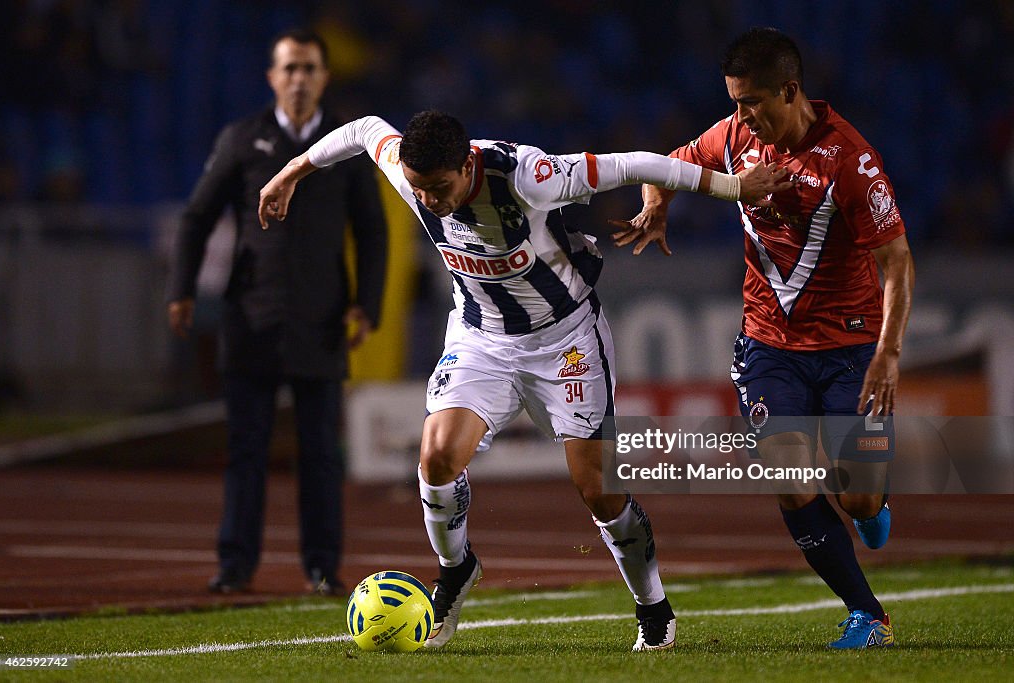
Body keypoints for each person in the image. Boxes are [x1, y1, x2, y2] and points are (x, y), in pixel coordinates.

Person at [258, 110, 790, 649]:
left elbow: (634, 164)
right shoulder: (408, 169)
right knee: (437, 456)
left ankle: (652, 605)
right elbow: (364, 128)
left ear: (467, 166)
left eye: (441, 189)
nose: (431, 202)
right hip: (481, 340)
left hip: (566, 342)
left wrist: (733, 186)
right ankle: (455, 569)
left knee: (598, 489)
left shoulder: (530, 175)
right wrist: (290, 173)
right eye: (421, 191)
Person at [614, 27, 914, 649]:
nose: (741, 115)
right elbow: (668, 166)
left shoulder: (851, 161)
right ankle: (868, 613)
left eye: (751, 101)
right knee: (791, 478)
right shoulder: (734, 139)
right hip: (768, 343)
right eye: (733, 101)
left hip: (852, 346)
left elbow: (898, 262)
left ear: (790, 90)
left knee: (857, 501)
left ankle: (870, 507)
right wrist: (657, 202)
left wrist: (887, 354)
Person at [166, 29, 387, 597]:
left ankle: (322, 568)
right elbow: (196, 217)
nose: (299, 79)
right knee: (246, 449)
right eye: (289, 68)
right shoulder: (241, 139)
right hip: (251, 316)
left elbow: (372, 228)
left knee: (319, 454)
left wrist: (369, 304)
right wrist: (181, 290)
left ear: (324, 77)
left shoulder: (346, 147)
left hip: (323, 318)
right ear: (272, 77)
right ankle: (235, 565)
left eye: (309, 68)